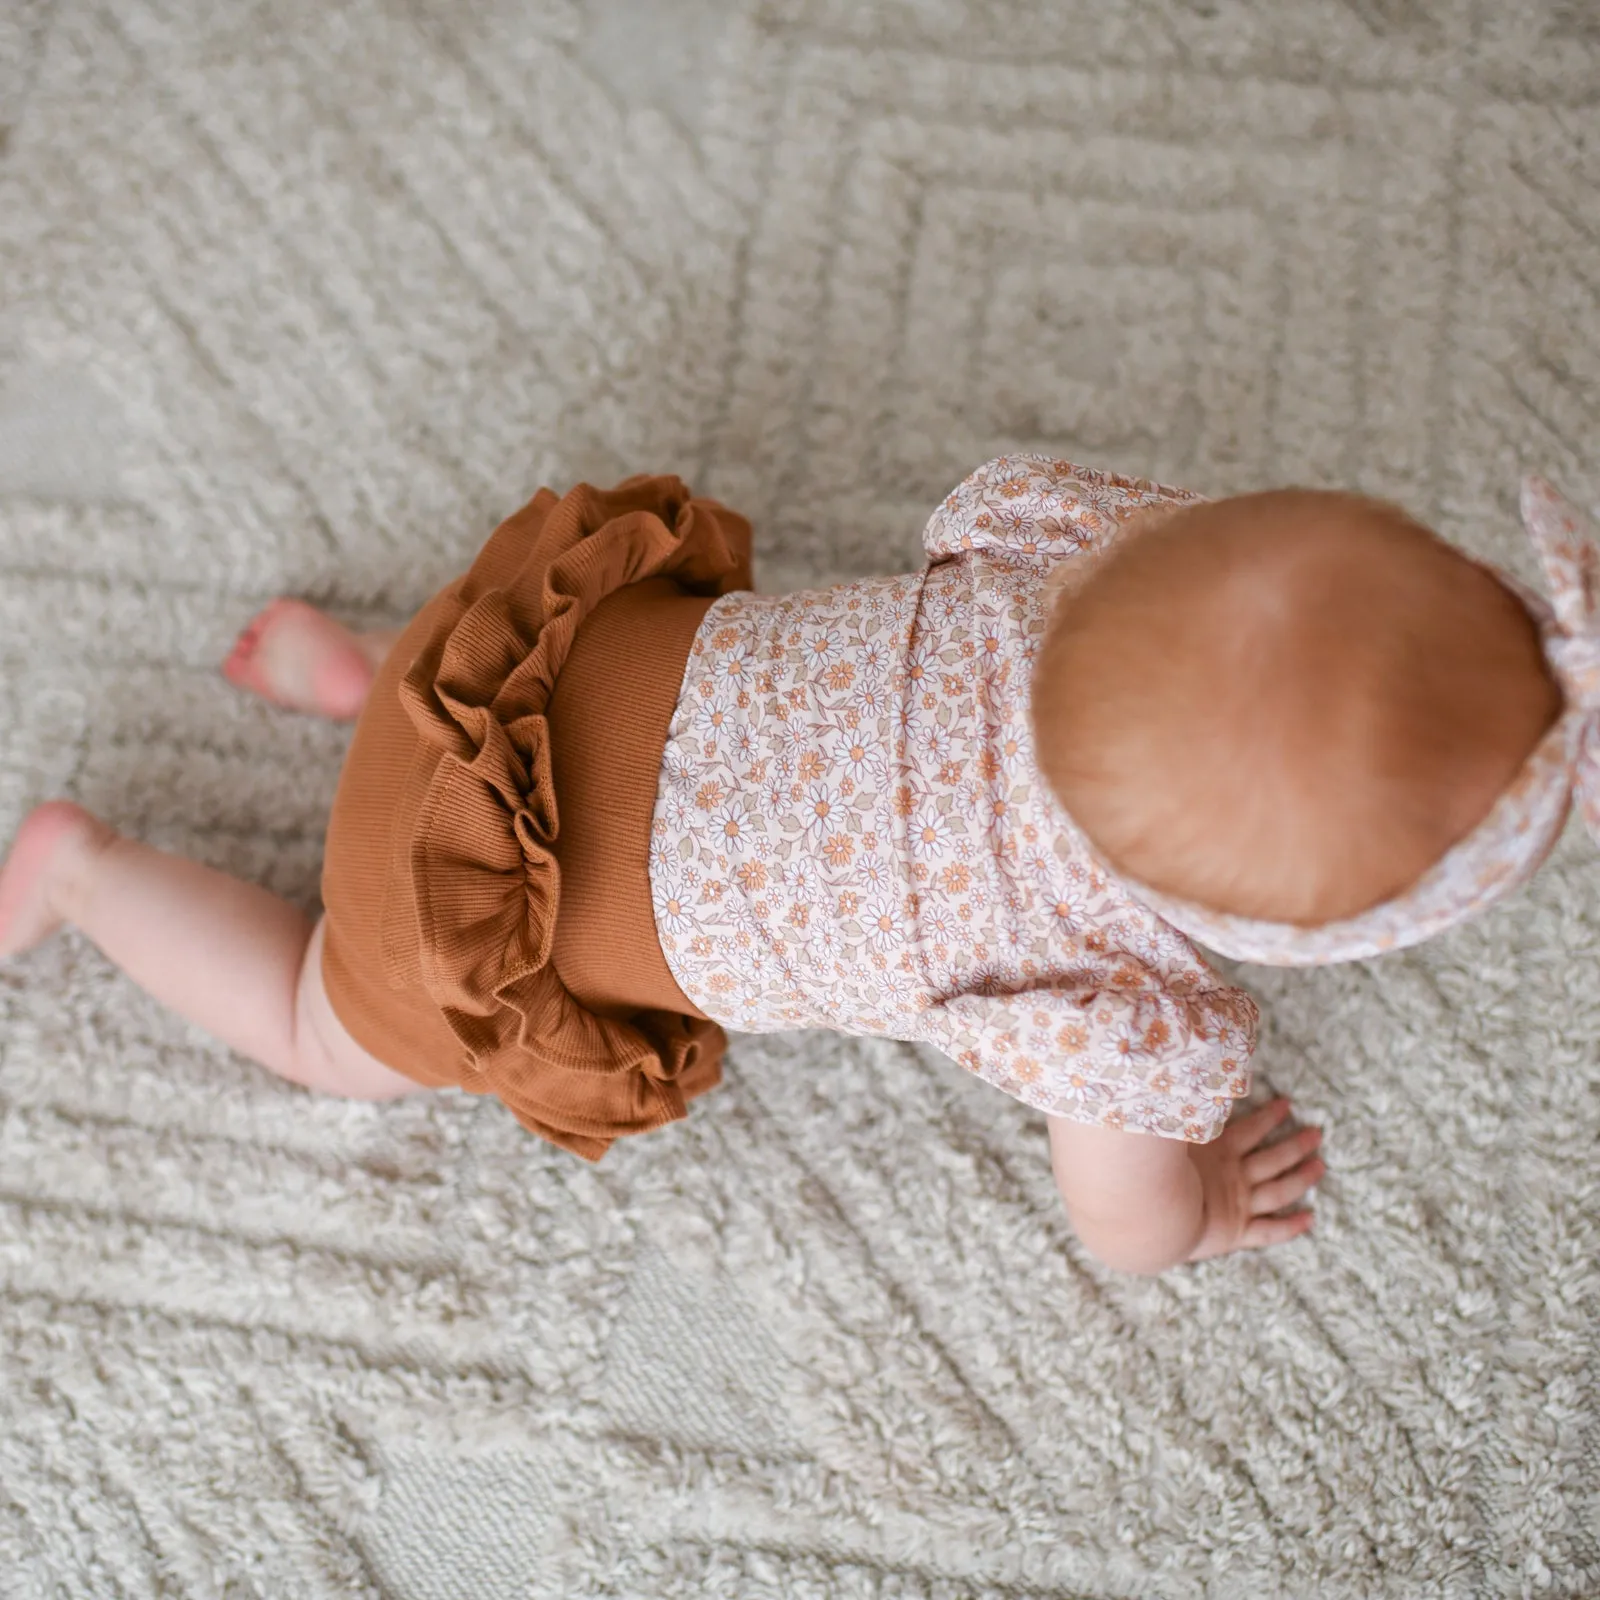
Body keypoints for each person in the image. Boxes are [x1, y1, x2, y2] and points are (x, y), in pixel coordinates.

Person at [2, 459, 1592, 1274]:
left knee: (558, 711)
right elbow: (1121, 1224)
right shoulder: (1131, 1012)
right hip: (476, 919)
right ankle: (85, 871)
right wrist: (1193, 1216)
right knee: (315, 1026)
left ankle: (372, 685)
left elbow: (975, 502)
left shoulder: (1075, 547)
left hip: (521, 672)